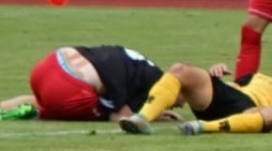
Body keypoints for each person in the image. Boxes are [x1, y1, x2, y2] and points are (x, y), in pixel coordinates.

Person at [119, 43, 272, 137]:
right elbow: (231, 89)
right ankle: (142, 118)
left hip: (252, 113)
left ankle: (202, 127)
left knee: (271, 114)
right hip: (233, 99)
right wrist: (215, 77)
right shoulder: (257, 77)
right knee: (180, 69)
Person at [0, 44, 166, 122]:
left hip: (48, 65)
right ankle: (31, 113)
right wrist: (149, 115)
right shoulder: (155, 83)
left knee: (43, 100)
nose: (177, 106)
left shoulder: (140, 66)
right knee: (102, 111)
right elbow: (121, 116)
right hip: (69, 85)